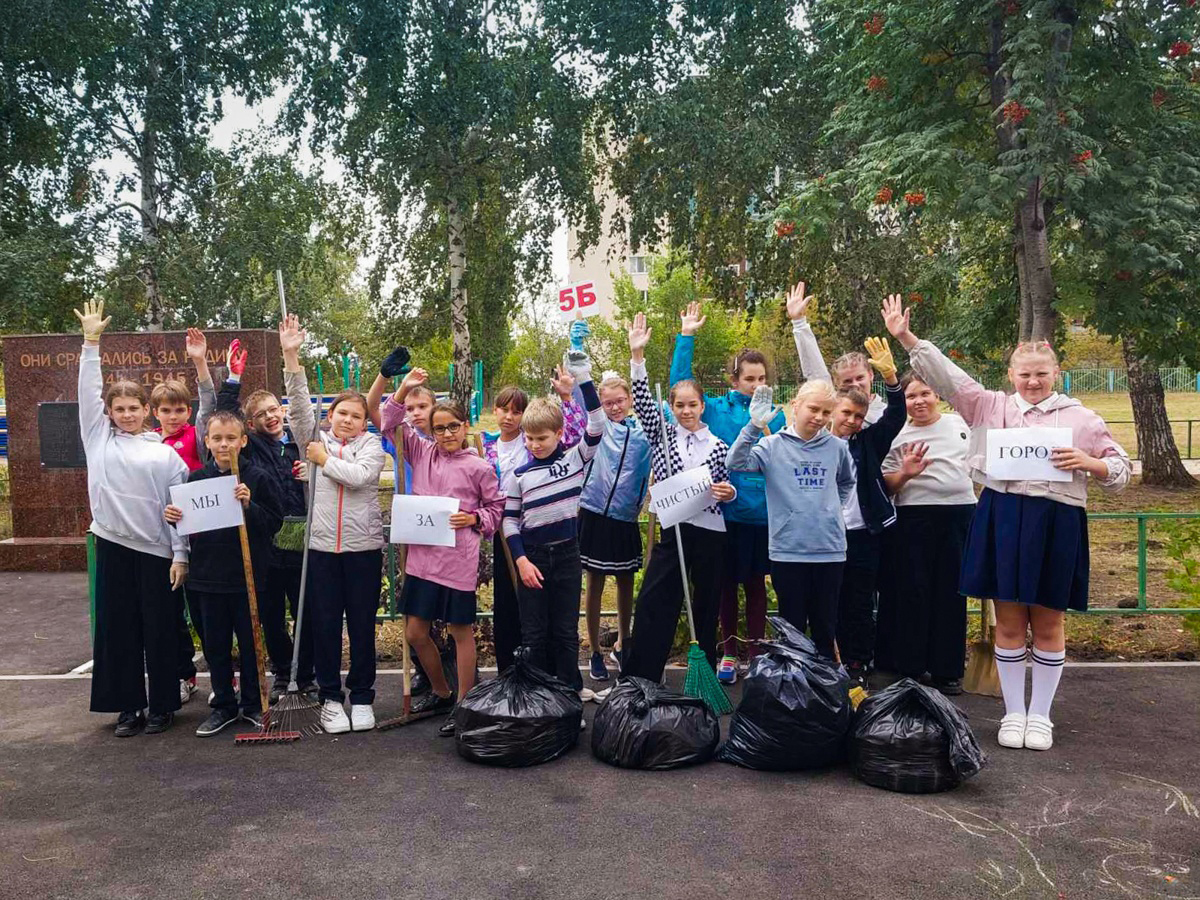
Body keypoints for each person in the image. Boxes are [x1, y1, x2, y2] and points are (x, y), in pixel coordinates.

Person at [882, 294, 1130, 751]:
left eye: (1041, 373)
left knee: (1049, 622)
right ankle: (1013, 713)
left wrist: (1088, 463)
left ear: (1056, 373)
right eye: (1024, 374)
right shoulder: (990, 407)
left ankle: (1041, 716)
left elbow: (1120, 472)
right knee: (1010, 622)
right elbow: (947, 377)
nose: (1033, 382)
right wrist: (906, 337)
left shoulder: (1082, 417)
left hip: (1057, 520)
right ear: (1011, 376)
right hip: (1003, 515)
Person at [75, 299, 190, 737]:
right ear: (109, 413)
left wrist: (180, 555)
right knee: (118, 631)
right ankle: (128, 707)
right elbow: (87, 392)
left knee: (159, 629)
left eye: (133, 408)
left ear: (147, 410)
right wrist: (91, 344)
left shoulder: (164, 456)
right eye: (118, 409)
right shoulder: (98, 440)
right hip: (113, 543)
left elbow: (178, 512)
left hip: (157, 552)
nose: (126, 414)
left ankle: (162, 706)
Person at [669, 301, 785, 684]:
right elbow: (679, 387)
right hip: (722, 515)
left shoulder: (777, 415)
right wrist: (686, 337)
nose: (756, 386)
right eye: (749, 379)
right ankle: (729, 653)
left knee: (756, 586)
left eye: (762, 379)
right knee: (724, 587)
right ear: (735, 380)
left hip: (762, 515)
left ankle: (755, 652)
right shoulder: (716, 409)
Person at [199, 320, 315, 701]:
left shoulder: (301, 442)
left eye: (274, 409)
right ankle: (283, 671)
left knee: (304, 612)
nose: (271, 416)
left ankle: (306, 673)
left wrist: (291, 356)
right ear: (251, 425)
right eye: (262, 413)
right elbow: (223, 419)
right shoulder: (250, 449)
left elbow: (301, 408)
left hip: (300, 539)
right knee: (269, 616)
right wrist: (233, 378)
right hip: (267, 545)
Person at [623, 313, 737, 684]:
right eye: (680, 405)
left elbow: (724, 487)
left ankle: (700, 679)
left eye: (693, 404)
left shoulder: (719, 446)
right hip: (674, 530)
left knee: (705, 607)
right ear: (671, 407)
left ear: (703, 406)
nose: (686, 410)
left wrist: (728, 491)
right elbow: (641, 402)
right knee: (655, 599)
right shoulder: (662, 434)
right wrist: (637, 358)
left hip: (709, 531)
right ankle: (641, 677)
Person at [392, 380, 505, 735]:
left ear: (465, 426)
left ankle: (464, 703)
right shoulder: (420, 451)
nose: (446, 434)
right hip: (423, 559)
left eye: (453, 427)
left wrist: (474, 518)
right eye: (439, 428)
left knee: (460, 630)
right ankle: (442, 690)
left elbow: (496, 508)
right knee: (415, 631)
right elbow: (387, 420)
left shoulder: (479, 468)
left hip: (458, 560)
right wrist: (403, 388)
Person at [164, 411, 282, 735]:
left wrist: (250, 506)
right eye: (217, 438)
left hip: (247, 577)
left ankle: (254, 704)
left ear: (243, 441)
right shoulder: (197, 480)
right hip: (207, 577)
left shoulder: (257, 478)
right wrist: (174, 516)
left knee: (249, 643)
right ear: (207, 441)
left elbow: (275, 523)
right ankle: (224, 707)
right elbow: (188, 524)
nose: (224, 444)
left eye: (231, 438)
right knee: (215, 646)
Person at [726, 379, 855, 659]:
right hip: (788, 550)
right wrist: (753, 426)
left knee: (825, 628)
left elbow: (846, 482)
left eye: (825, 412)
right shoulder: (771, 447)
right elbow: (734, 462)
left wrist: (830, 509)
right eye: (813, 409)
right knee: (792, 629)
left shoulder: (836, 448)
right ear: (795, 405)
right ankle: (794, 692)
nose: (819, 417)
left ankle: (823, 693)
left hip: (829, 551)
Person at [502, 348, 605, 696]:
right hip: (531, 558)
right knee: (533, 634)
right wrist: (521, 560)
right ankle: (537, 698)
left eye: (542, 438)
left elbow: (597, 423)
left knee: (563, 631)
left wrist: (585, 379)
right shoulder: (518, 474)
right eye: (529, 439)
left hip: (566, 555)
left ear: (560, 434)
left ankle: (569, 694)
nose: (534, 445)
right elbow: (510, 522)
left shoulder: (576, 459)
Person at [477, 360, 588, 673]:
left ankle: (558, 681)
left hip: (550, 536)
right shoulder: (484, 444)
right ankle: (511, 675)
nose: (509, 417)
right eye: (504, 410)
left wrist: (568, 396)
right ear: (495, 411)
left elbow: (581, 433)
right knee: (514, 613)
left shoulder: (538, 450)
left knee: (557, 622)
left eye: (516, 411)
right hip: (509, 536)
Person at [289, 380, 387, 734]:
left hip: (363, 550)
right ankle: (331, 698)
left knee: (362, 626)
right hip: (322, 550)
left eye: (356, 416)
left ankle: (361, 698)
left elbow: (361, 477)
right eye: (342, 413)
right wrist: (291, 356)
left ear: (364, 422)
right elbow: (300, 406)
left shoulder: (372, 445)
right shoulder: (315, 441)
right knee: (325, 626)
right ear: (329, 416)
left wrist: (324, 461)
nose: (348, 420)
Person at [879, 372, 977, 694]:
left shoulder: (960, 425)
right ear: (903, 400)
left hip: (959, 515)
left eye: (925, 393)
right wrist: (905, 473)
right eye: (911, 396)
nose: (919, 401)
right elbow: (886, 486)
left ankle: (947, 670)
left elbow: (980, 463)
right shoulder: (896, 433)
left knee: (951, 591)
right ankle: (910, 667)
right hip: (913, 517)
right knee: (914, 591)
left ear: (938, 395)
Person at [822, 337, 907, 683]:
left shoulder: (869, 440)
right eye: (846, 414)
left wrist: (891, 380)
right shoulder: (815, 444)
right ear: (831, 411)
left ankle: (857, 662)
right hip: (824, 536)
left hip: (864, 534)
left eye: (859, 416)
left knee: (859, 602)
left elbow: (895, 415)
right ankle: (826, 659)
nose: (854, 421)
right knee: (828, 600)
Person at [579, 368, 650, 682]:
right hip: (593, 513)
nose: (615, 407)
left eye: (620, 401)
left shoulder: (642, 432)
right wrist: (579, 367)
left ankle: (623, 643)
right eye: (608, 403)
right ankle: (594, 649)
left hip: (625, 517)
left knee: (624, 583)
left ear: (630, 399)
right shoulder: (598, 426)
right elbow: (584, 404)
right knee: (594, 582)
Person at [150, 371, 212, 705]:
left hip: (200, 539)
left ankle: (223, 676)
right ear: (155, 413)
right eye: (165, 411)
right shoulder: (149, 445)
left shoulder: (196, 438)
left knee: (204, 614)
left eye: (179, 411)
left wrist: (201, 365)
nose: (173, 417)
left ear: (188, 412)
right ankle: (184, 675)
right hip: (164, 540)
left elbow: (210, 408)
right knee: (173, 614)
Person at [788, 280, 887, 424]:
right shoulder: (829, 409)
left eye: (859, 378)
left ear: (871, 374)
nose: (855, 385)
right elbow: (815, 372)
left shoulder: (886, 413)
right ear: (836, 383)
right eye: (847, 381)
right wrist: (799, 322)